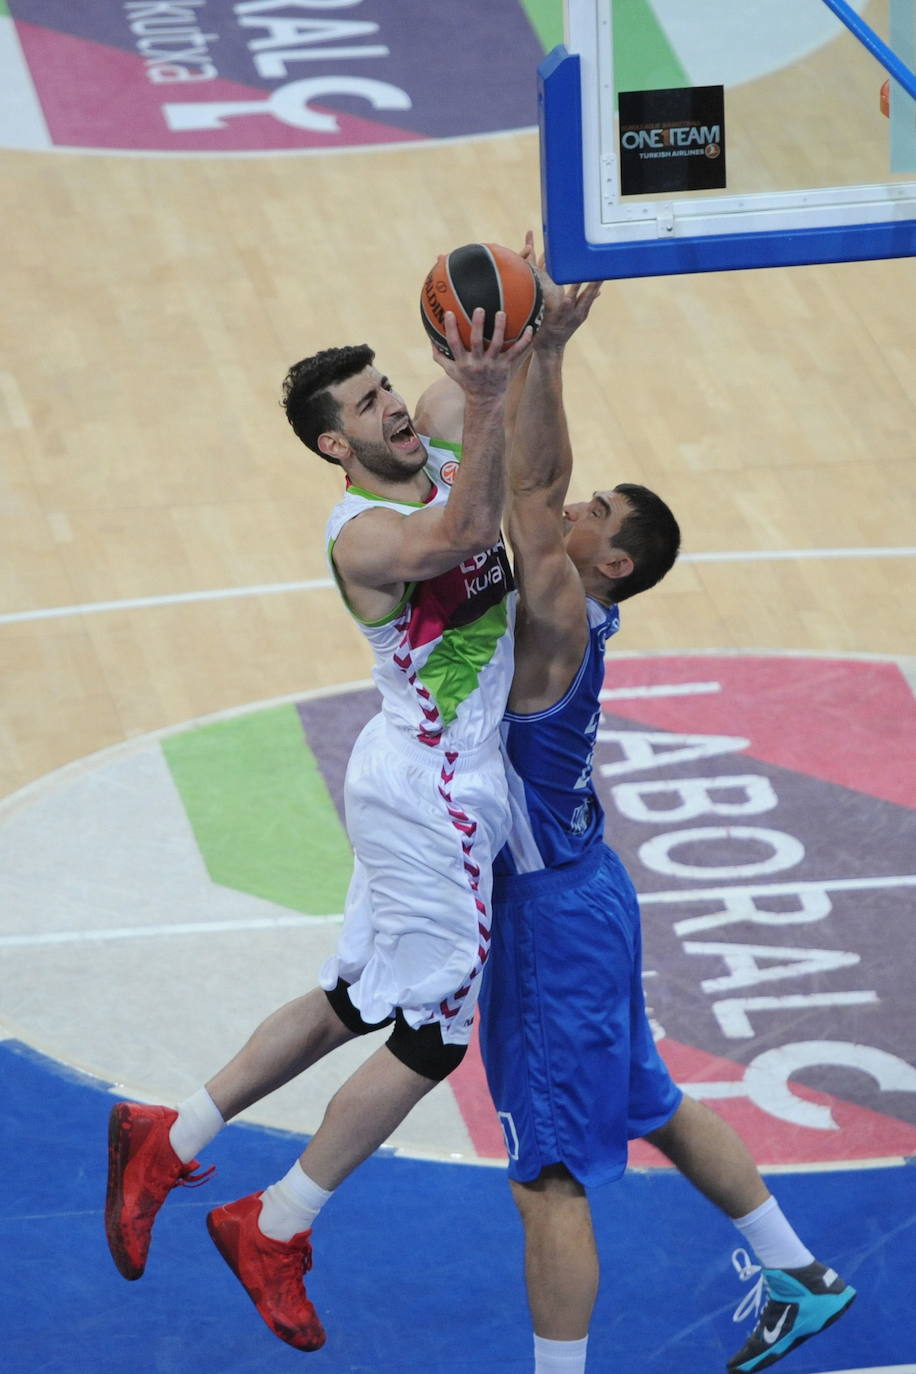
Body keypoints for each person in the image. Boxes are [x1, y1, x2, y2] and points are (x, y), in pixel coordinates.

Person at [416, 250, 857, 1374]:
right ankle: (797, 1273)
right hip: (586, 893)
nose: (573, 501)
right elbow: (516, 482)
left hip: (555, 920)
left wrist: (539, 356)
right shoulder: (569, 603)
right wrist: (515, 372)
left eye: (593, 510)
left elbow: (518, 488)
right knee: (647, 1099)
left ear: (608, 562)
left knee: (549, 1177)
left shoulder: (561, 606)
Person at [104, 306, 534, 1351]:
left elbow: (474, 382)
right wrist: (481, 403)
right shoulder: (371, 539)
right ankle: (275, 1222)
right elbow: (470, 534)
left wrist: (524, 325)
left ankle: (172, 1132)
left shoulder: (429, 440)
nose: (391, 405)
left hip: (426, 777)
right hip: (432, 787)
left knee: (354, 1000)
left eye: (386, 387)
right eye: (364, 404)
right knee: (432, 1037)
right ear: (333, 446)